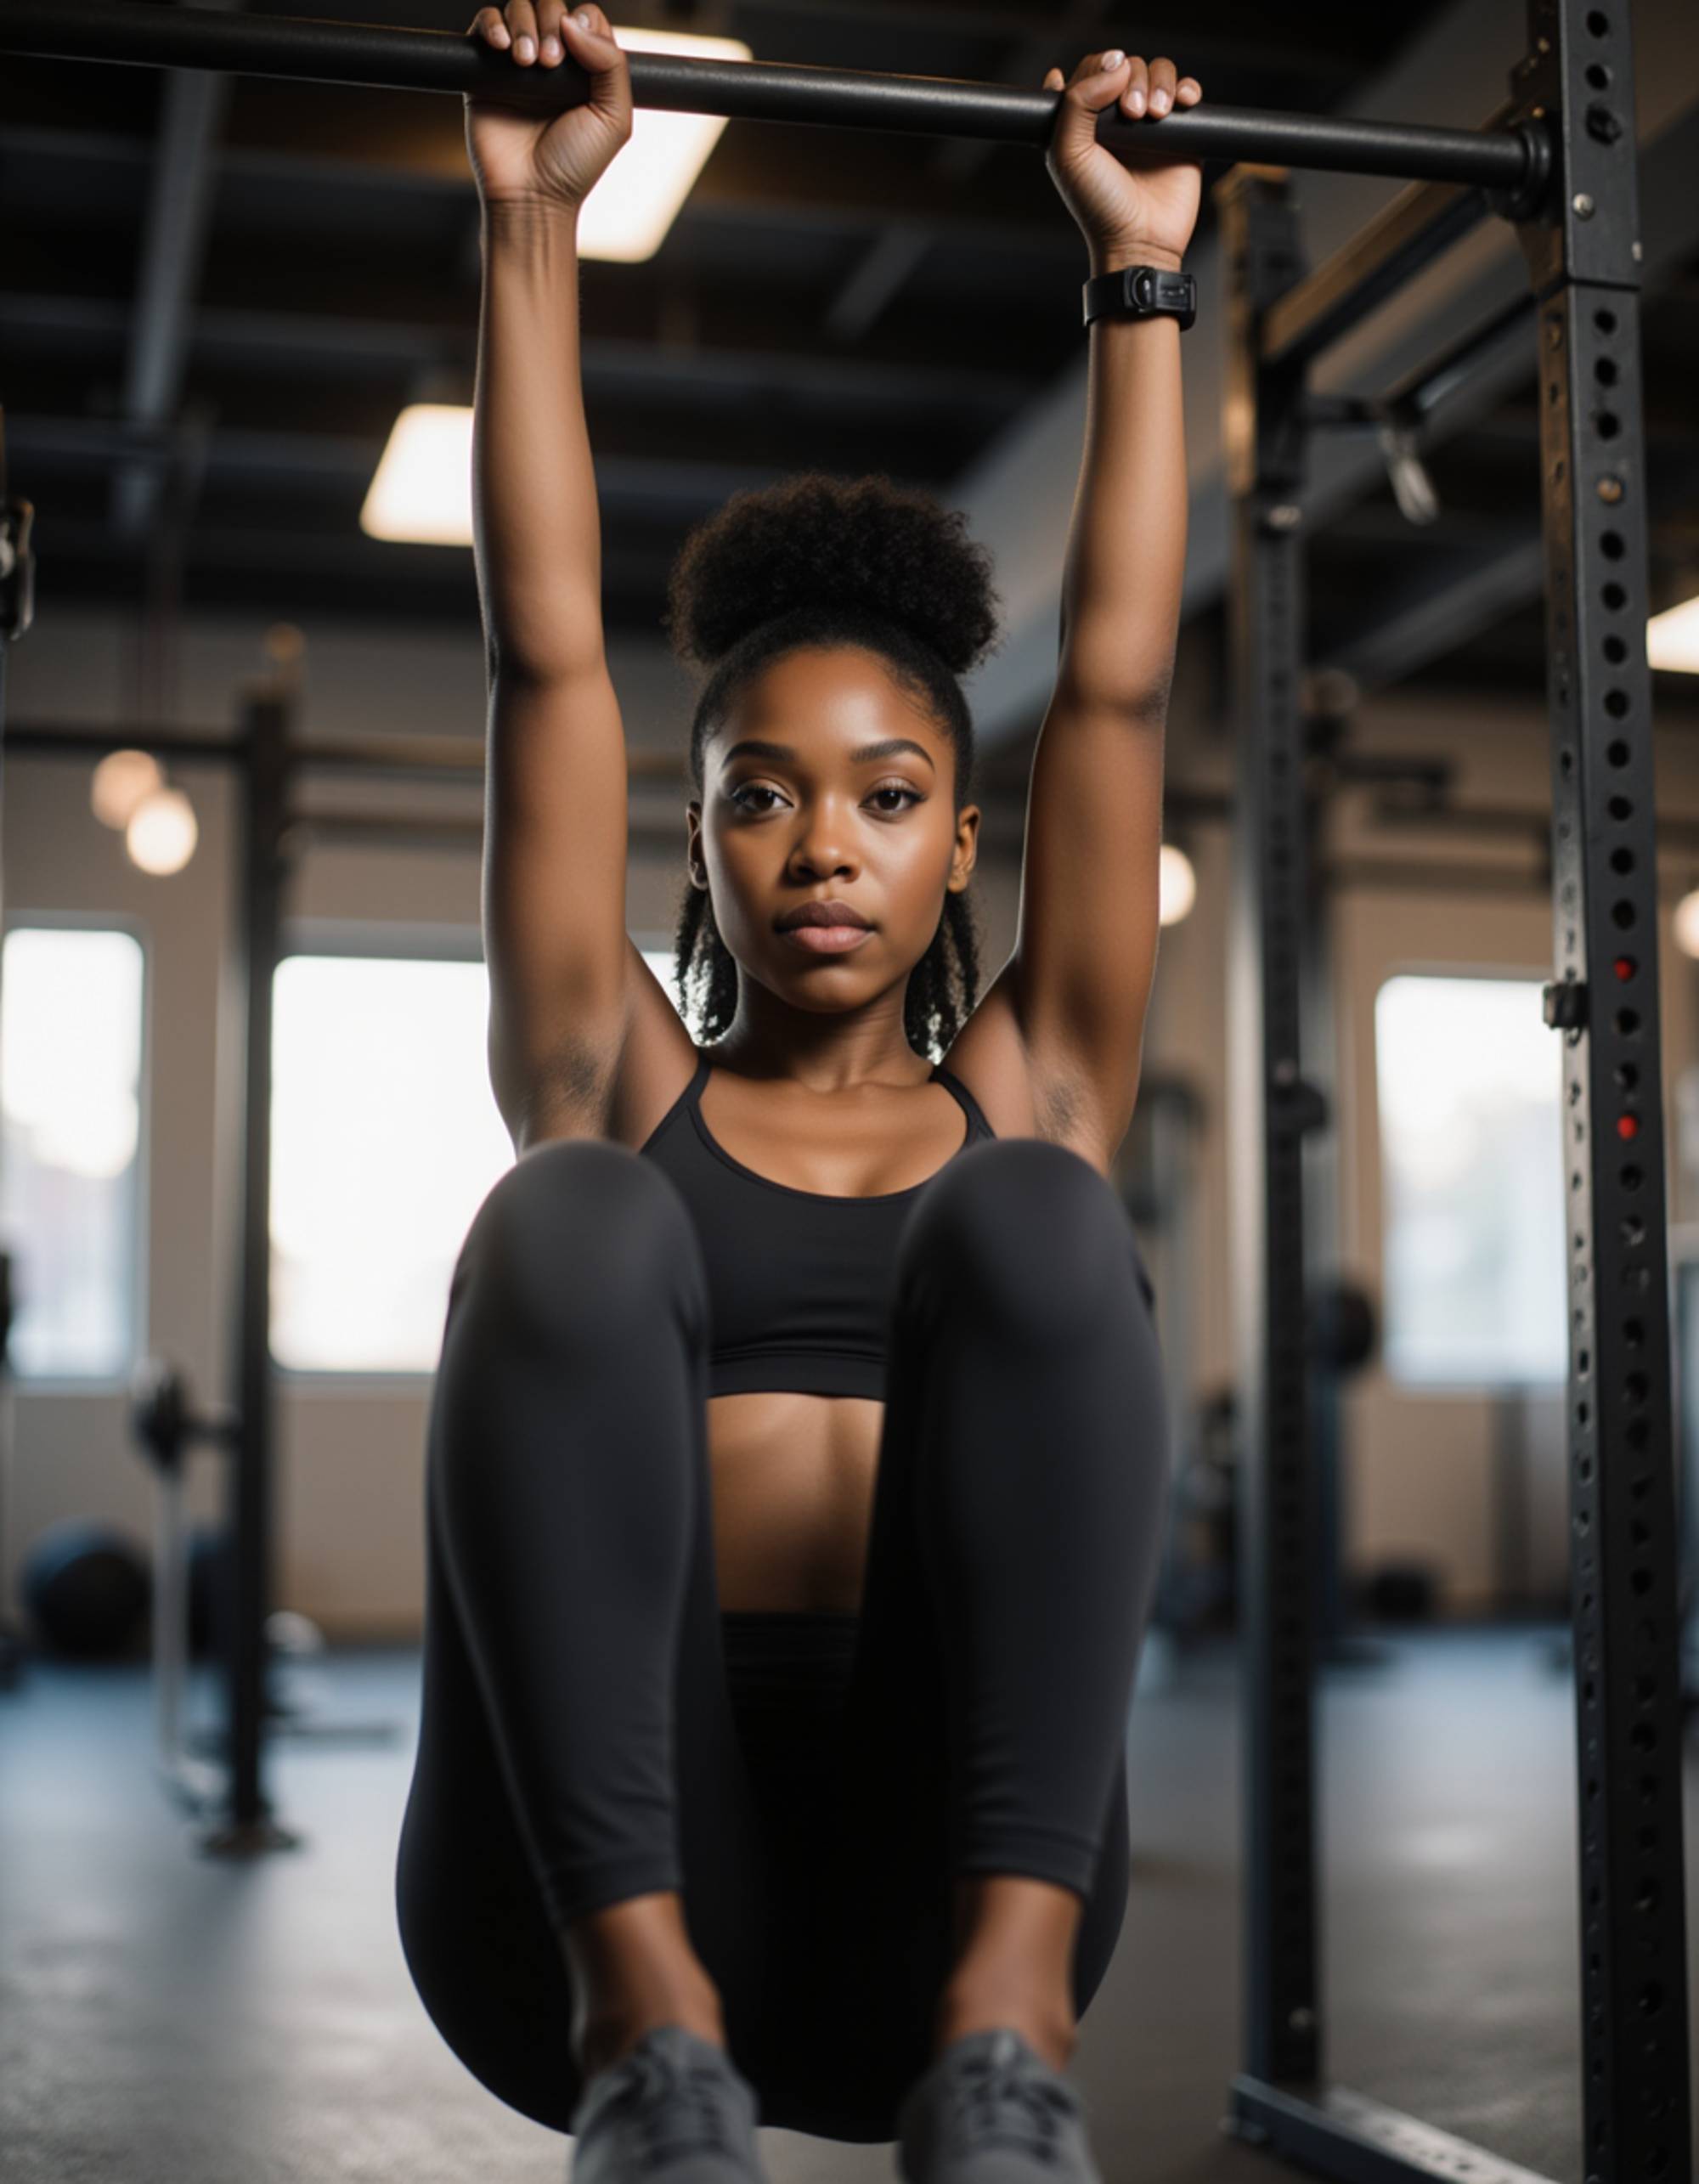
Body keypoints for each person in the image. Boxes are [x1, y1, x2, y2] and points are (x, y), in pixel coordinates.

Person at [395, 9, 1203, 2180]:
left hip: (948, 1889)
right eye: (759, 797)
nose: (821, 843)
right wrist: (529, 213)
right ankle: (654, 2044)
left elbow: (1117, 670)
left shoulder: (1033, 1083)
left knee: (1040, 1210)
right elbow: (543, 648)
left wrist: (1138, 273)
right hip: (583, 1904)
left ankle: (1012, 2042)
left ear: (961, 840)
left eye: (887, 794)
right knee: (565, 1211)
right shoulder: (607, 1064)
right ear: (698, 842)